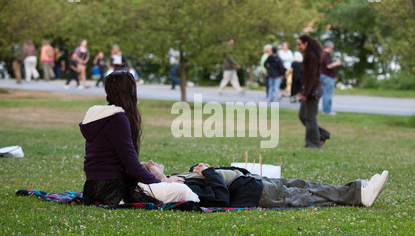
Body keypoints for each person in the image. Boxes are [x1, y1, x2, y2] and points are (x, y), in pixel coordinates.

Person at [79, 71, 183, 206]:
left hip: (91, 188)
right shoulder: (117, 118)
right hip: (111, 190)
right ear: (130, 91)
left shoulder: (101, 117)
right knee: (180, 191)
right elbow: (132, 167)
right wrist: (163, 182)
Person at [143, 161, 389, 208]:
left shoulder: (180, 178)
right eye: (151, 170)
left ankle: (356, 187)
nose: (155, 165)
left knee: (304, 184)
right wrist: (209, 173)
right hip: (255, 192)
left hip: (252, 180)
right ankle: (359, 195)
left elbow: (201, 171)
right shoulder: (184, 190)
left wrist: (198, 167)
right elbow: (220, 198)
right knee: (307, 194)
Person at [297, 34, 330, 148]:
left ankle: (313, 144)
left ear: (306, 43)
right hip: (308, 90)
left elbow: (311, 76)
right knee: (302, 115)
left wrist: (306, 93)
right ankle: (322, 134)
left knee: (310, 118)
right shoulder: (308, 55)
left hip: (313, 91)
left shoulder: (312, 56)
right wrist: (302, 91)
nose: (298, 47)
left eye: (299, 44)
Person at [320, 41, 341, 115]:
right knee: (327, 94)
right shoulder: (325, 54)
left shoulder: (324, 54)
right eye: (332, 48)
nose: (332, 49)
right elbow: (328, 66)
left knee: (326, 93)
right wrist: (337, 63)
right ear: (329, 47)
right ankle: (327, 110)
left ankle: (326, 110)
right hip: (327, 76)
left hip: (325, 76)